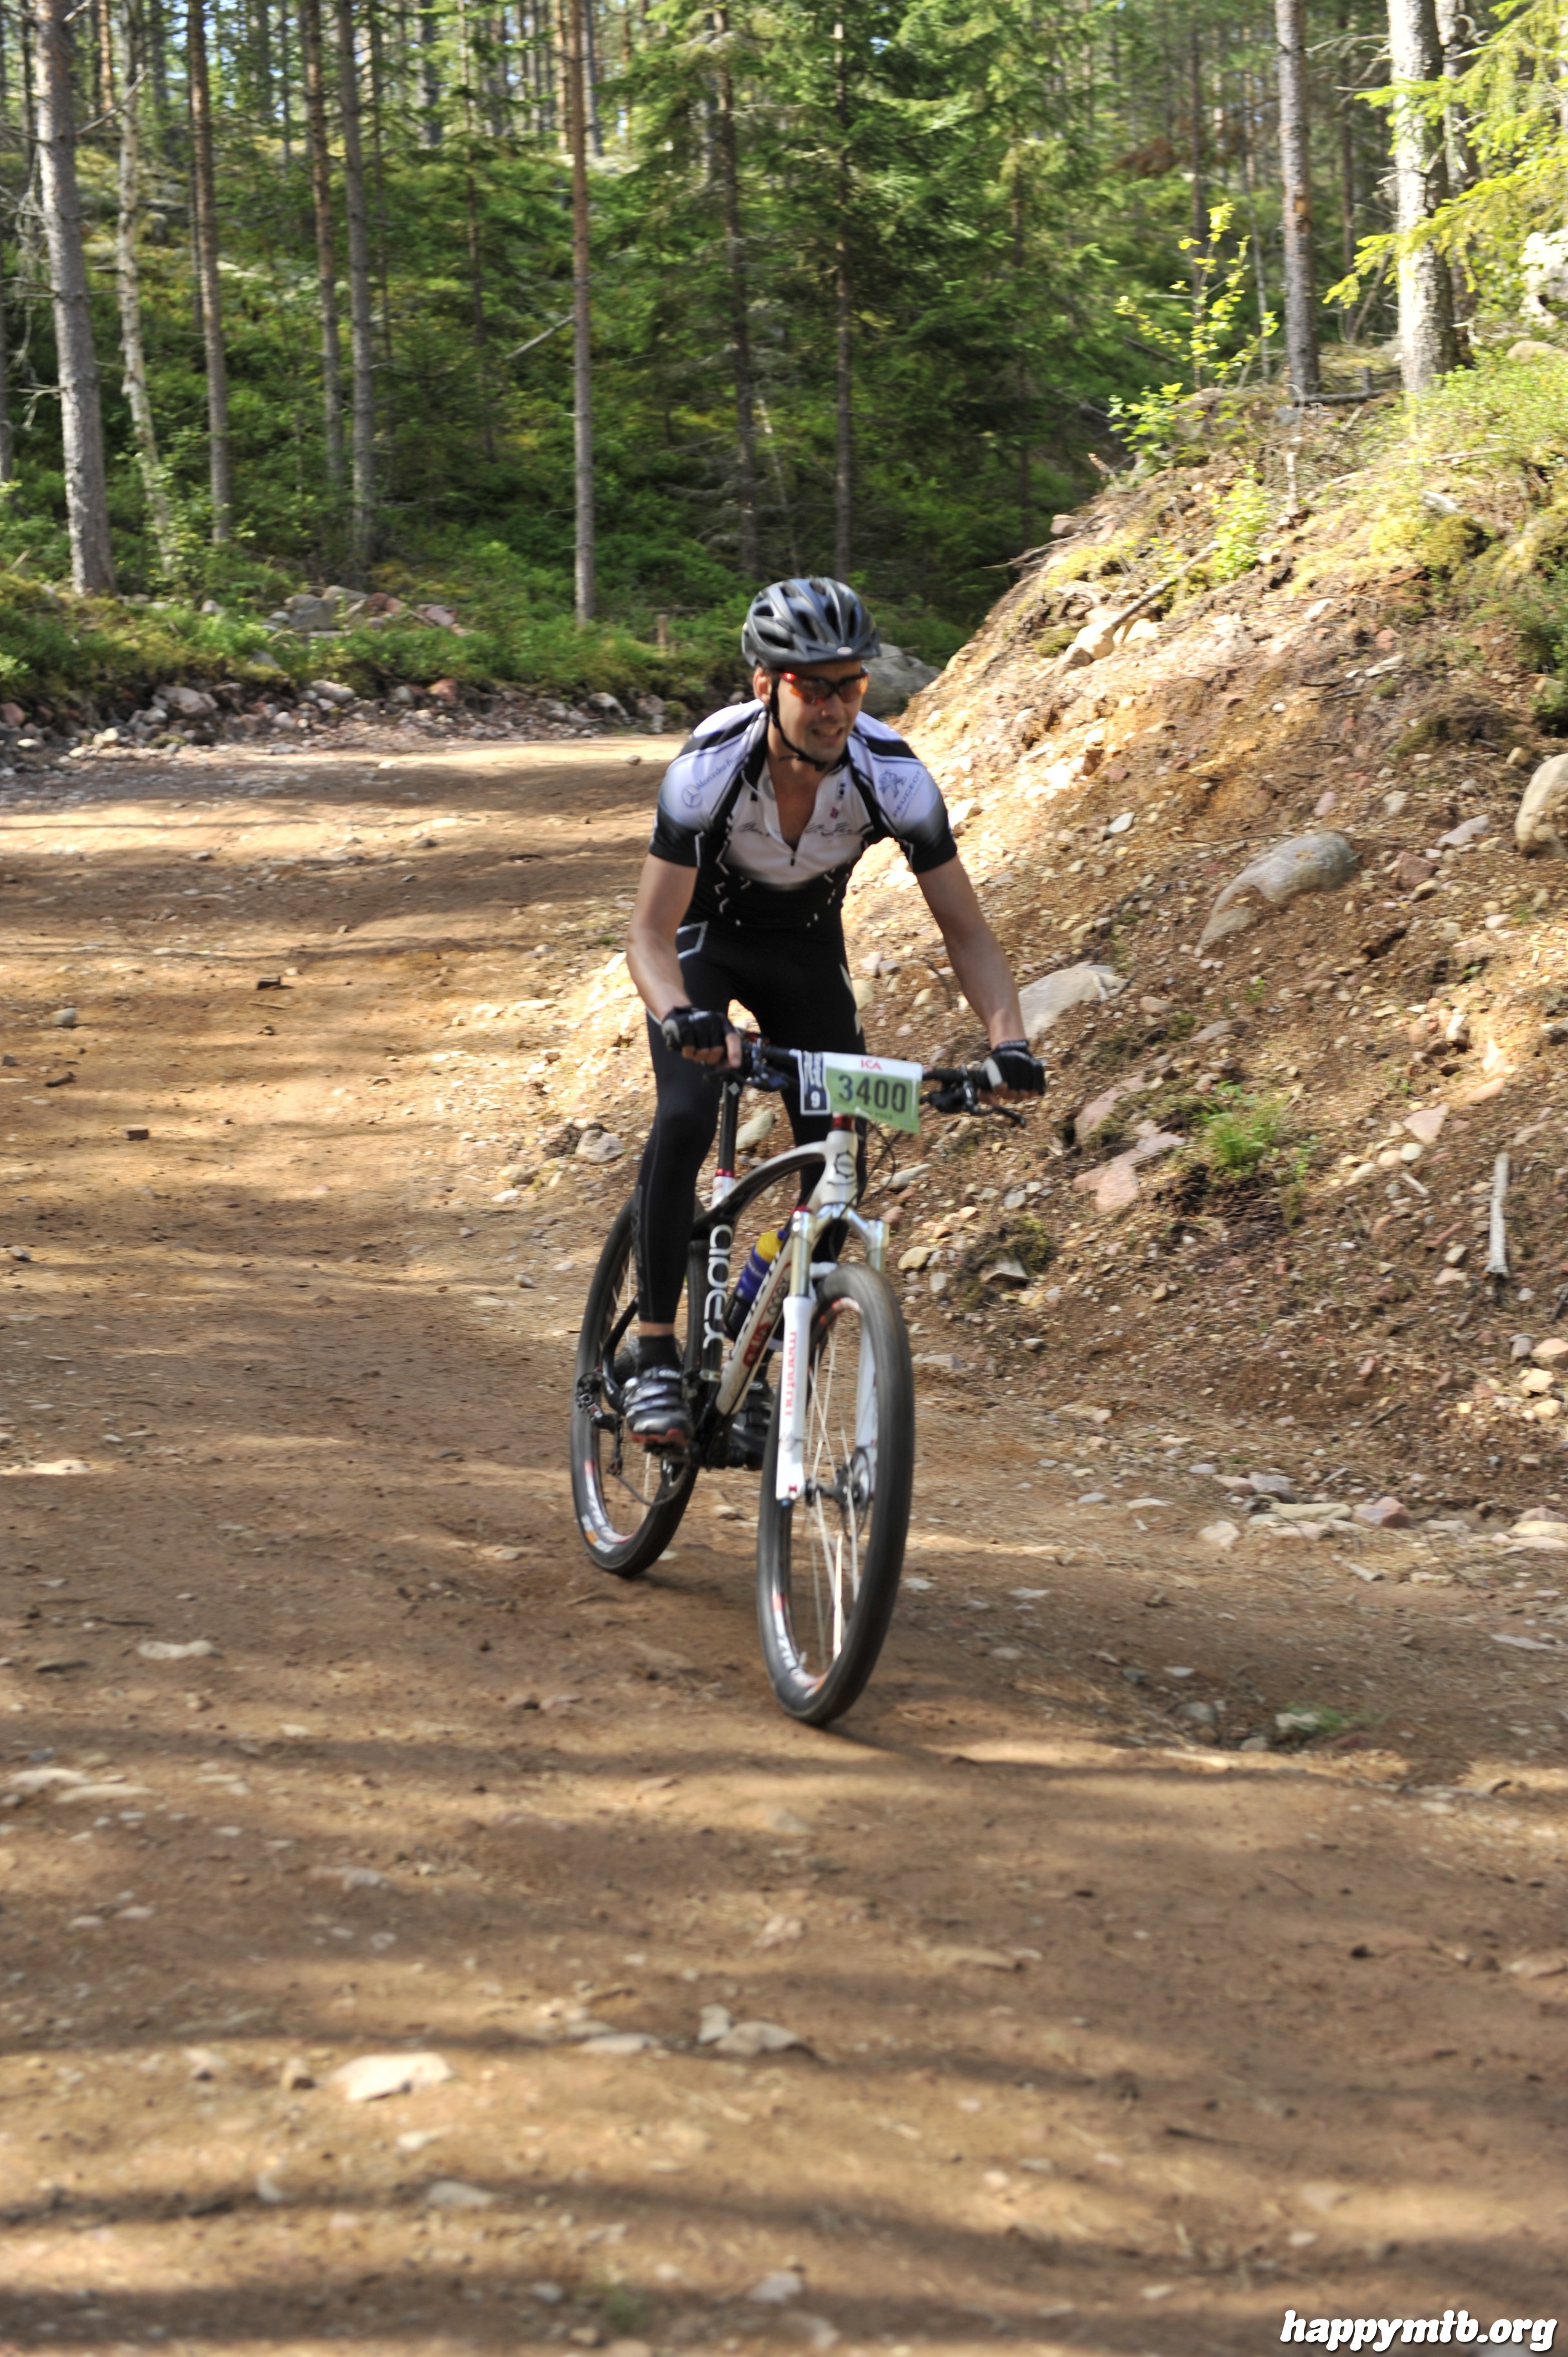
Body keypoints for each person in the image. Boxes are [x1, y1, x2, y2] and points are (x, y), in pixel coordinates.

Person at [622, 574, 1043, 1452]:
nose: (834, 707)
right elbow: (649, 934)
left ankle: (763, 1331)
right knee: (688, 1111)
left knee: (837, 1158)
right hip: (704, 942)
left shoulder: (894, 777)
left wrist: (1009, 1043)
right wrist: (679, 1016)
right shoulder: (708, 769)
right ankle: (654, 1353)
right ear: (764, 685)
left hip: (806, 955)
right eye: (812, 687)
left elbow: (967, 932)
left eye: (849, 685)